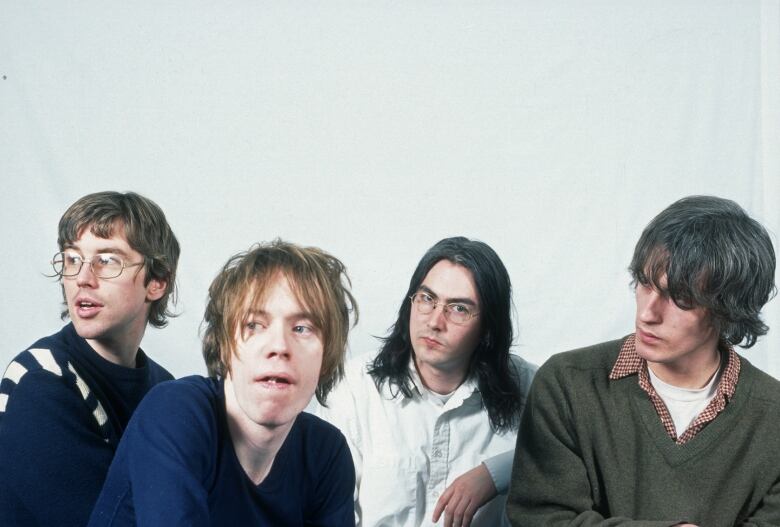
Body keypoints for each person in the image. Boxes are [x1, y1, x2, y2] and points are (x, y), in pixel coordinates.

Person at [507, 195, 780, 526]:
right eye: (644, 283)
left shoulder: (772, 417)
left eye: (679, 298)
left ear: (728, 309)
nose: (648, 313)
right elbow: (539, 518)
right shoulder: (567, 383)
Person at [89, 240, 359, 526]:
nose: (279, 346)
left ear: (327, 356)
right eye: (253, 325)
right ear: (224, 346)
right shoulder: (175, 413)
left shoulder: (326, 453)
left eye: (302, 328)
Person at [318, 236, 536, 527]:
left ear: (487, 328)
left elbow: (576, 457)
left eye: (458, 308)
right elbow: (332, 513)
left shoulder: (530, 387)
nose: (435, 321)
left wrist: (495, 474)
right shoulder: (355, 389)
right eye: (426, 299)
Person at [0, 191, 180, 526]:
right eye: (72, 259)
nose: (83, 278)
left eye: (107, 260)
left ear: (156, 281)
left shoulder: (164, 389)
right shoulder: (40, 380)